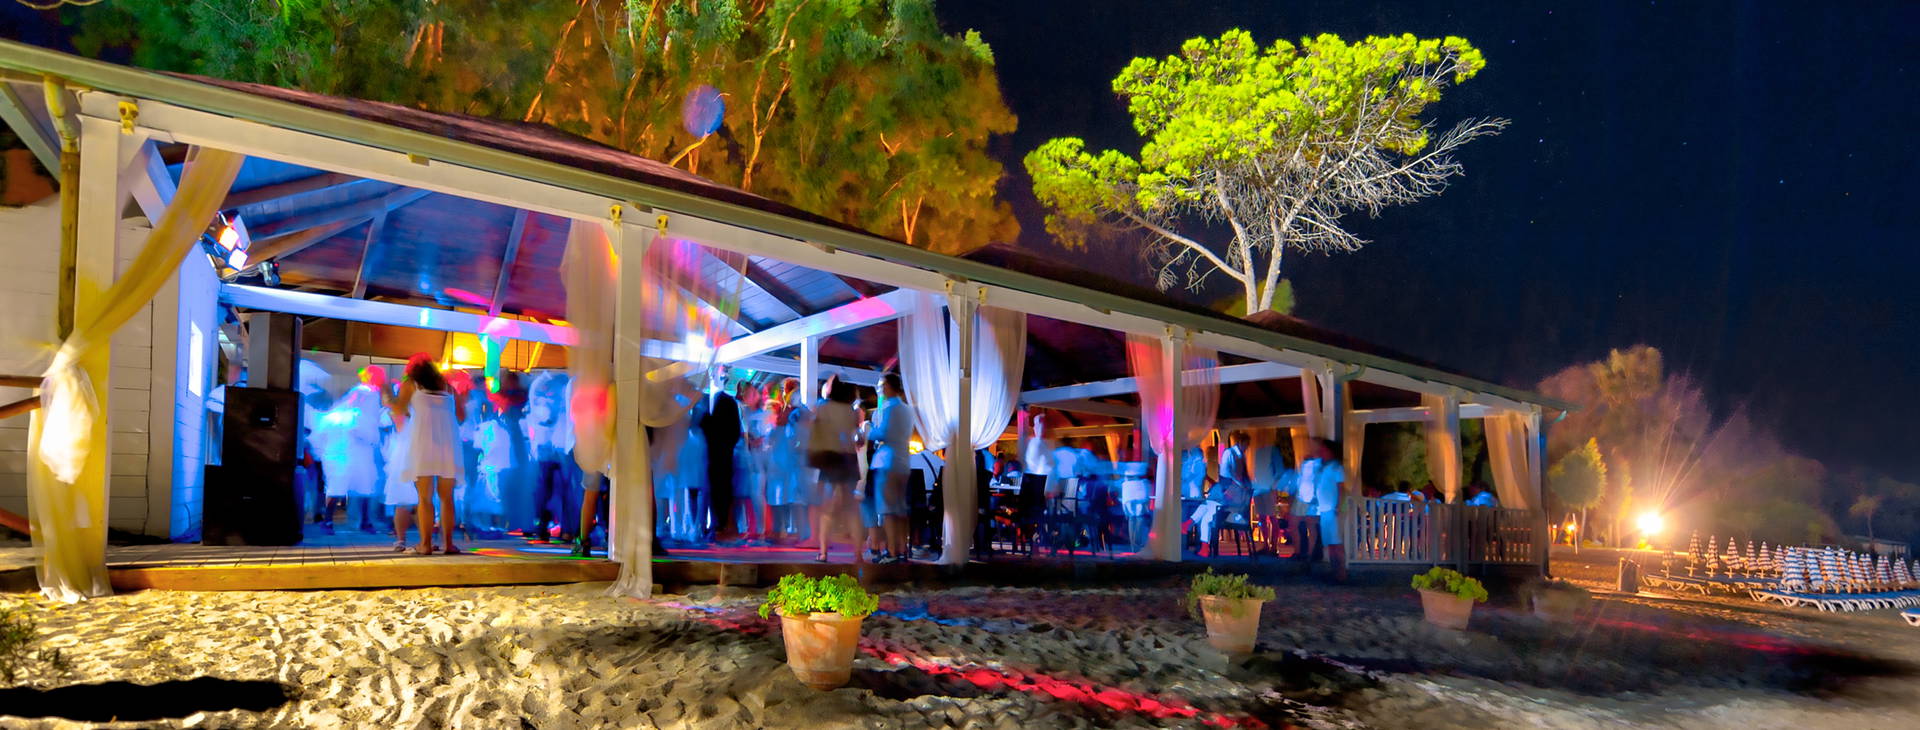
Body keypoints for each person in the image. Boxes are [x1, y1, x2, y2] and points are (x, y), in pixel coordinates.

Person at [389, 354, 467, 555]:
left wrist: (388, 396)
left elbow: (399, 409)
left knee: (424, 497)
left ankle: (425, 544)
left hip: (423, 443)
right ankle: (448, 544)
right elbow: (461, 416)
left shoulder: (411, 385)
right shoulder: (448, 387)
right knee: (447, 498)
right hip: (448, 445)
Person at [807, 378, 862, 562]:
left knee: (826, 510)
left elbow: (814, 432)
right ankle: (858, 554)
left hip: (830, 459)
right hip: (849, 460)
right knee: (852, 510)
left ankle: (823, 553)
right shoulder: (851, 411)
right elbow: (858, 438)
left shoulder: (823, 407)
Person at [866, 373, 915, 563]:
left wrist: (869, 430)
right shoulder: (908, 410)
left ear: (889, 386)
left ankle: (892, 551)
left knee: (887, 509)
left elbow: (883, 433)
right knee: (900, 509)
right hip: (903, 462)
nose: (880, 390)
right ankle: (902, 549)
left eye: (882, 386)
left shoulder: (889, 409)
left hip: (887, 462)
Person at [701, 379, 744, 545]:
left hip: (721, 454)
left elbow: (734, 429)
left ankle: (723, 526)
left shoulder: (725, 401)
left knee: (722, 489)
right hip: (715, 454)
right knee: (716, 489)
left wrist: (725, 446)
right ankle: (718, 525)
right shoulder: (709, 401)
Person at [1310, 439, 1349, 582]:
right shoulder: (1321, 467)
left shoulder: (1336, 467)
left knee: (1336, 542)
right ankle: (1334, 572)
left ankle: (1341, 573)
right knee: (1330, 544)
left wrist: (1338, 506)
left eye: (1323, 449)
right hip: (1324, 510)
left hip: (1333, 509)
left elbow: (1341, 488)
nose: (1321, 451)